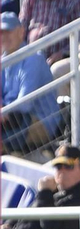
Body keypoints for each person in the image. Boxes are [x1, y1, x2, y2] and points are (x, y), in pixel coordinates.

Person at [0, 12, 58, 155]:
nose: (4, 37)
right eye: (1, 32)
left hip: (39, 121)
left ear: (21, 32)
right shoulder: (4, 60)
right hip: (11, 121)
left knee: (17, 118)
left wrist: (3, 111)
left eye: (9, 31)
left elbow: (25, 105)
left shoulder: (33, 58)